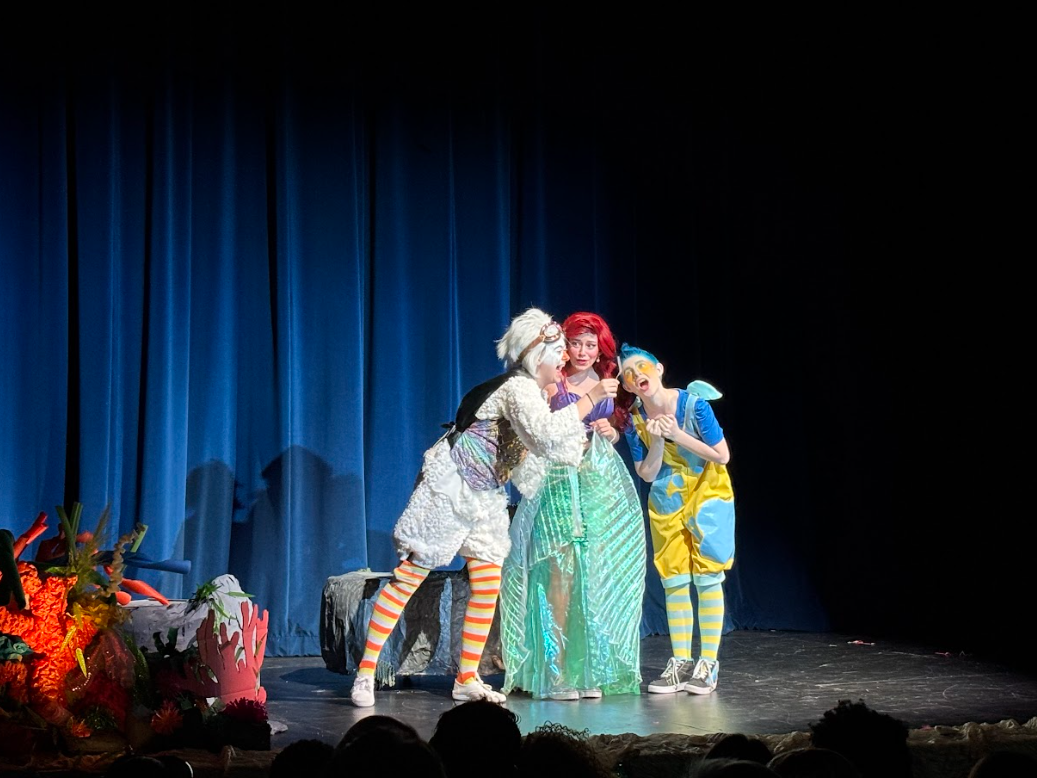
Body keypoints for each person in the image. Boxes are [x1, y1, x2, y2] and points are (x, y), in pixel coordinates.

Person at [349, 308, 619, 707]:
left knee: (488, 580)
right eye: (559, 351)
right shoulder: (518, 388)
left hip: (486, 492)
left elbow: (540, 451)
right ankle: (366, 673)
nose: (565, 359)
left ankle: (467, 677)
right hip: (452, 487)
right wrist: (591, 399)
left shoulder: (531, 392)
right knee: (410, 575)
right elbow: (545, 437)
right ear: (536, 354)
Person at [499, 312, 645, 701]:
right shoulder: (552, 380)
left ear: (601, 350)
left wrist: (611, 431)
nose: (581, 351)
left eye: (590, 345)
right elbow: (543, 429)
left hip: (596, 485)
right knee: (558, 574)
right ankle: (553, 673)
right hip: (558, 482)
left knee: (592, 575)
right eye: (575, 343)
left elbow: (616, 430)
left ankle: (586, 670)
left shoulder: (609, 384)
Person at [618, 343, 734, 696]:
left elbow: (722, 455)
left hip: (707, 492)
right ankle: (681, 661)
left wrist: (678, 435)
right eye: (628, 374)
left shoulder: (693, 405)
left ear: (659, 369)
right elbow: (647, 474)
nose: (638, 376)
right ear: (625, 385)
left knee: (708, 576)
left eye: (642, 368)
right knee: (675, 580)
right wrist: (655, 441)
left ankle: (707, 664)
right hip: (666, 497)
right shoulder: (634, 420)